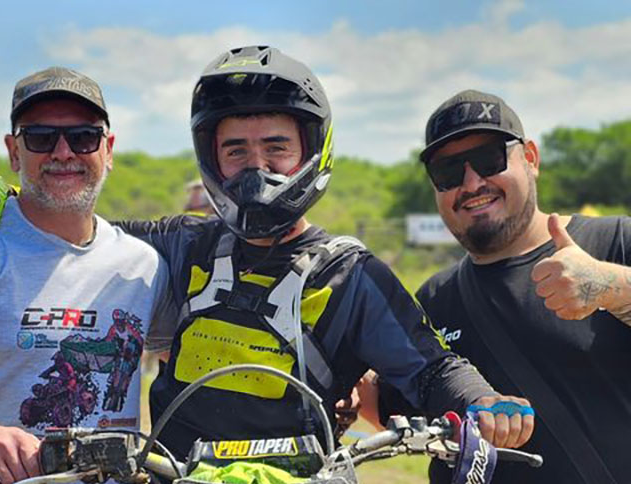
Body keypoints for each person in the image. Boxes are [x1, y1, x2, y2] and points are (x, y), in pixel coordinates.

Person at [118, 46, 534, 465]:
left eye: (276, 148)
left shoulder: (349, 275)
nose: (257, 167)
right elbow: (84, 242)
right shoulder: (184, 243)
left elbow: (431, 369)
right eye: (236, 151)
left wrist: (482, 399)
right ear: (213, 159)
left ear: (311, 151)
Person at [371, 89, 631, 483]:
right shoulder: (432, 300)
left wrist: (612, 286)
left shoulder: (615, 242)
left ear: (530, 158)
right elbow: (394, 405)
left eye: (489, 158)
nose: (473, 182)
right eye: (449, 171)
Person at [0, 67, 177, 484]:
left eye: (83, 137)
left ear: (108, 150)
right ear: (14, 152)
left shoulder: (143, 265)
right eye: (40, 137)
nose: (63, 152)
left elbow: (195, 363)